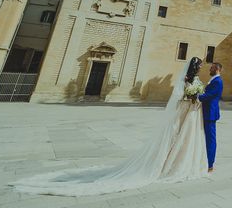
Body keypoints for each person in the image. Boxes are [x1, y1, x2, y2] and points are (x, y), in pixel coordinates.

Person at [13, 57, 209, 195]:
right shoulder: (186, 80)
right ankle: (171, 164)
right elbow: (181, 95)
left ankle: (176, 161)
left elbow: (192, 92)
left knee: (180, 138)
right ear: (194, 68)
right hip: (184, 111)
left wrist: (195, 96)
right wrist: (193, 96)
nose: (201, 68)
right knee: (175, 137)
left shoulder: (194, 80)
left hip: (188, 113)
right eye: (199, 66)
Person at [199, 62, 223, 172]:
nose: (210, 69)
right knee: (207, 137)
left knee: (210, 139)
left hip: (210, 113)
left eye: (212, 68)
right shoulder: (214, 80)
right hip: (207, 112)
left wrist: (196, 96)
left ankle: (210, 164)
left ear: (217, 69)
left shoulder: (218, 81)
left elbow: (209, 95)